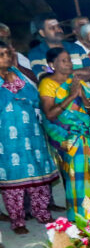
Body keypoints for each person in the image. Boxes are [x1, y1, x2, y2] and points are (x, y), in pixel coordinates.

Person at [38, 48, 90, 220]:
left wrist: (82, 97)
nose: (68, 63)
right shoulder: (47, 84)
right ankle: (82, 217)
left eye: (69, 59)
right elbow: (50, 114)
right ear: (52, 64)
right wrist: (71, 96)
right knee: (77, 177)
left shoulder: (75, 81)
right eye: (63, 60)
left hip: (84, 134)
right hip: (66, 137)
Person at [0, 42, 58, 233]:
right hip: (7, 140)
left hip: (31, 134)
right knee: (13, 181)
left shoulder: (17, 73)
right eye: (1, 54)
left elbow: (34, 98)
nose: (6, 57)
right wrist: (10, 88)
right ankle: (18, 221)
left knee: (37, 175)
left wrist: (15, 83)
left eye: (8, 53)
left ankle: (42, 213)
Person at [27, 15, 90, 81]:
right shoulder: (36, 54)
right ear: (42, 33)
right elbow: (44, 77)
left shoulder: (76, 48)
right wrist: (78, 71)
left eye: (58, 26)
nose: (58, 30)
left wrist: (56, 73)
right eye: (52, 28)